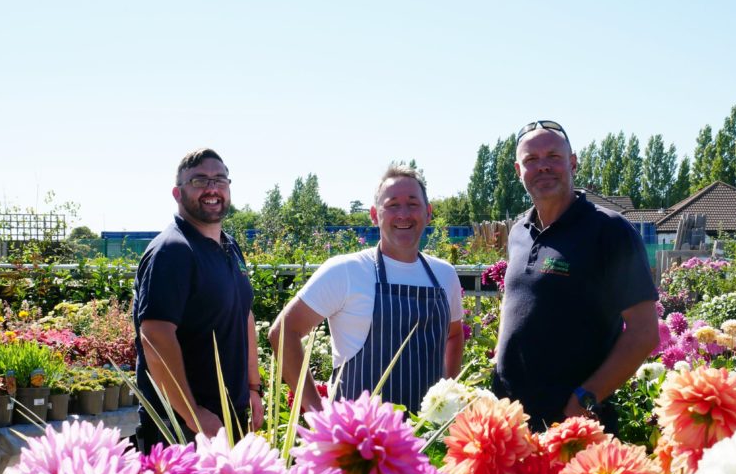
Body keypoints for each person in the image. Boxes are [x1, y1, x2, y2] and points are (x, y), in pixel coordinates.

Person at [492, 120, 659, 431]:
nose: (543, 166)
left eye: (553, 156)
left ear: (572, 163)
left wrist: (584, 399)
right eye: (531, 159)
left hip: (572, 425)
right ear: (518, 171)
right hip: (511, 421)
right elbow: (516, 304)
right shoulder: (518, 232)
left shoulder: (609, 230)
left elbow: (644, 331)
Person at [270, 165, 465, 413]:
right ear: (374, 215)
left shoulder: (444, 275)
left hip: (427, 434)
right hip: (358, 435)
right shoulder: (346, 271)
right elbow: (283, 332)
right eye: (392, 205)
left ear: (428, 213)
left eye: (413, 203)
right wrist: (316, 412)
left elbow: (454, 334)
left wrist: (448, 398)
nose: (403, 214)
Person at [133, 148, 263, 448]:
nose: (212, 188)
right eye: (199, 180)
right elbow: (155, 336)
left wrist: (253, 388)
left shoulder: (230, 246)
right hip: (182, 425)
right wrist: (193, 413)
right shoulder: (172, 251)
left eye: (220, 180)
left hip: (229, 414)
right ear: (177, 193)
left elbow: (244, 314)